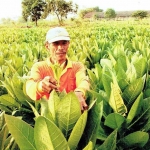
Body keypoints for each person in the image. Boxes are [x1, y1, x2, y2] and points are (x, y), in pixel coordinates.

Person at [26, 27, 90, 111]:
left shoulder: (77, 66)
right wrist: (41, 86)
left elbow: (84, 81)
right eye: (55, 43)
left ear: (68, 44)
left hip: (72, 114)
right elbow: (30, 87)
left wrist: (79, 92)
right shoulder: (39, 67)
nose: (60, 47)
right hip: (50, 116)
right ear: (47, 46)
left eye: (64, 43)